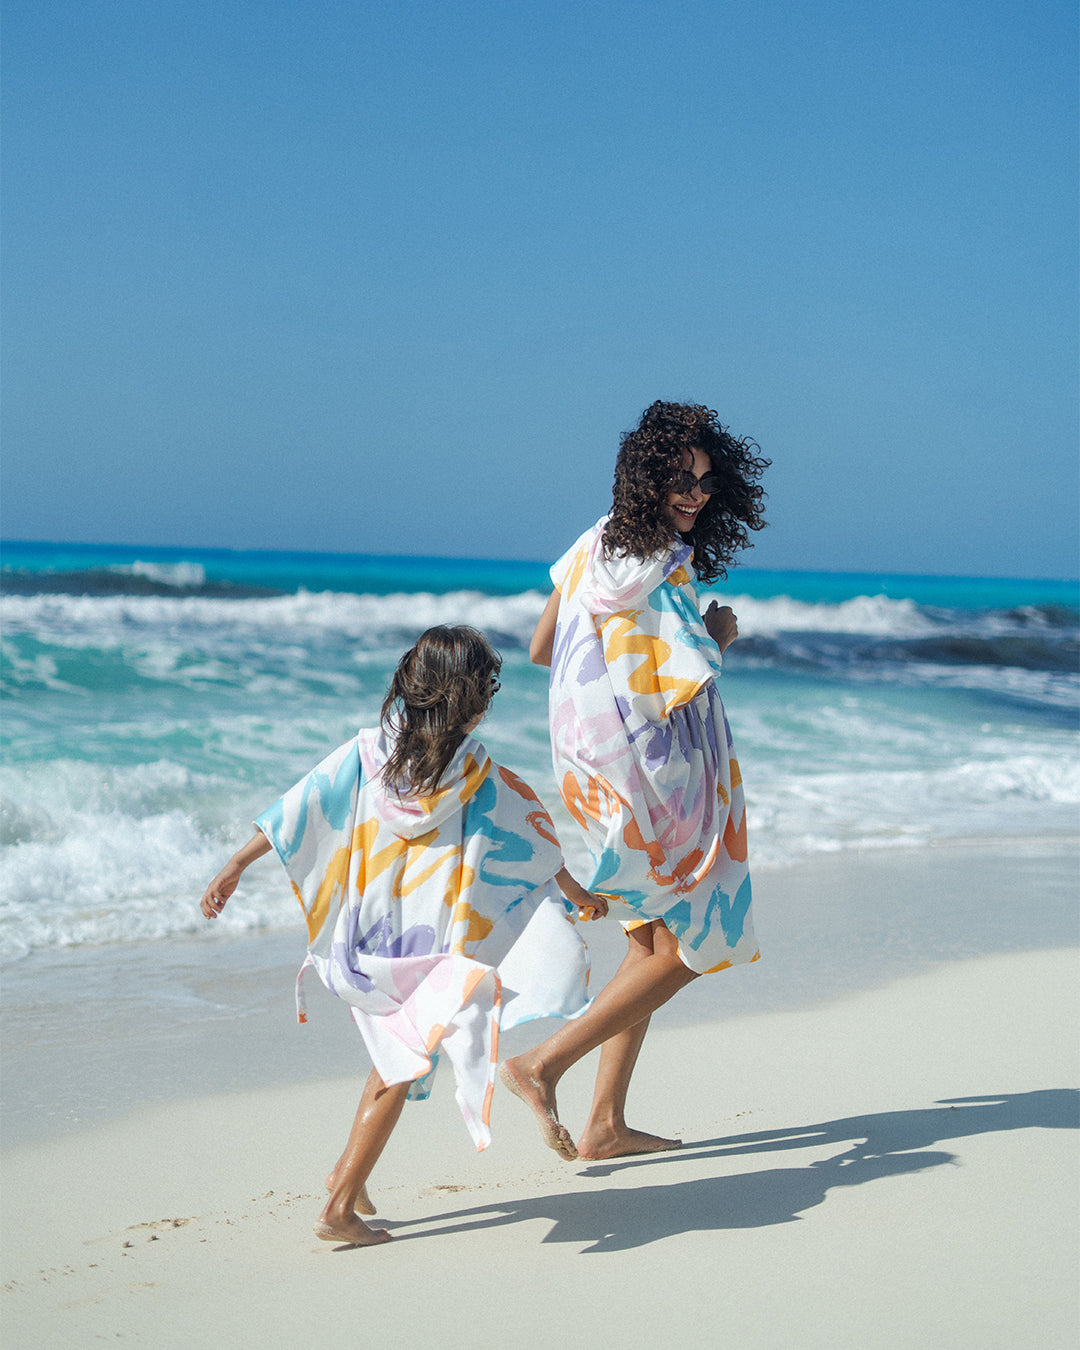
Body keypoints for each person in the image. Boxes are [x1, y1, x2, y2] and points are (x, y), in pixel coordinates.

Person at [200, 625, 605, 1247]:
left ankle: (348, 1175)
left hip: (367, 941)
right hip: (431, 949)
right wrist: (577, 895)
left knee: (393, 1060)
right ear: (471, 701)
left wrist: (235, 864)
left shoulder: (367, 755)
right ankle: (338, 1207)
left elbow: (298, 808)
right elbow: (534, 837)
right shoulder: (477, 773)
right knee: (401, 1063)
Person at [500, 400, 769, 1162]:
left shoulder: (592, 545)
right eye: (682, 479)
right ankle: (542, 1063)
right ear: (649, 478)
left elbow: (542, 648)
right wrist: (716, 636)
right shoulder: (668, 567)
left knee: (650, 937)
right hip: (655, 774)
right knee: (699, 940)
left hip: (590, 770)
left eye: (706, 482)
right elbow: (677, 681)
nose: (695, 495)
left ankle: (604, 1124)